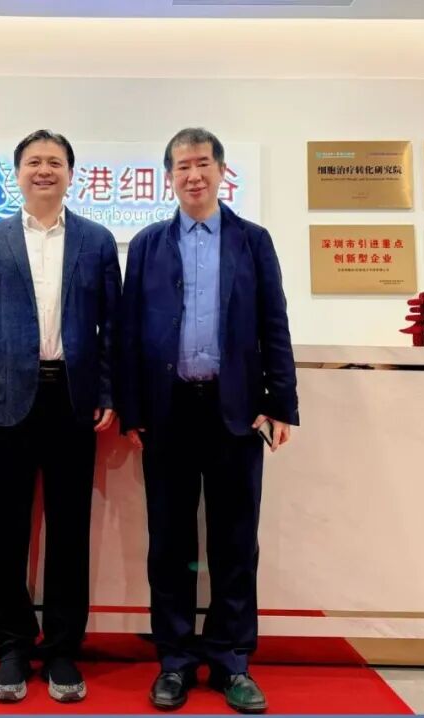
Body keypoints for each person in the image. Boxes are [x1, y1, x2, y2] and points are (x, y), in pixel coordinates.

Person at [118, 127, 299, 714]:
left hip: (235, 412)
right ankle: (173, 660)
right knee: (169, 543)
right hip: (167, 412)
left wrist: (281, 402)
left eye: (202, 164)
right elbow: (128, 332)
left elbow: (274, 323)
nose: (193, 175)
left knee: (235, 543)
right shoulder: (148, 244)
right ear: (168, 177)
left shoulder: (252, 241)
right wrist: (131, 408)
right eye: (181, 166)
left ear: (221, 171)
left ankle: (230, 660)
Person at [0, 129, 121, 703]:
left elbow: (112, 328)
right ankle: (12, 647)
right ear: (18, 173)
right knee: (7, 531)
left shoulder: (97, 241)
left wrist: (108, 391)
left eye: (54, 162)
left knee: (70, 531)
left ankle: (63, 648)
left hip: (74, 403)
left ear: (71, 174)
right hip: (7, 403)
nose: (44, 170)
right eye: (33, 162)